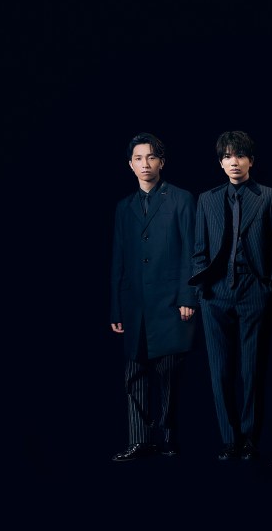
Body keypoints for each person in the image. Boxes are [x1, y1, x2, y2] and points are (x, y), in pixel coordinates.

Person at [189, 131, 272, 461]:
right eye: (228, 157)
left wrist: (270, 285)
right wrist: (202, 289)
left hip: (254, 290)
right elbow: (199, 248)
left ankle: (250, 439)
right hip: (215, 293)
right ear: (221, 163)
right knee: (220, 370)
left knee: (252, 370)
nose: (234, 162)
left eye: (240, 156)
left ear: (251, 161)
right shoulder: (207, 199)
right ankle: (229, 439)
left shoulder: (269, 197)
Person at [110, 132, 197, 462]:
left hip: (171, 303)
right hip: (134, 306)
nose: (145, 164)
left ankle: (168, 438)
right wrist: (116, 308)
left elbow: (191, 250)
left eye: (151, 157)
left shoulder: (181, 199)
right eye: (138, 158)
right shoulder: (124, 207)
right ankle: (139, 440)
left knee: (169, 374)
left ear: (162, 162)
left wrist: (188, 295)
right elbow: (118, 259)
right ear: (130, 165)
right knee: (134, 374)